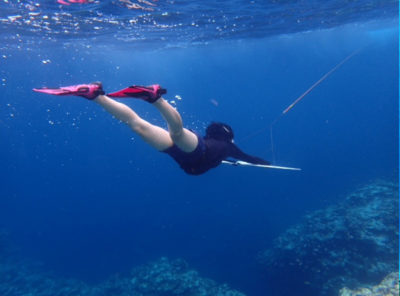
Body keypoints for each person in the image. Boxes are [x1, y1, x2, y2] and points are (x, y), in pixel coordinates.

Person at [33, 82, 270, 175]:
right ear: (228, 136)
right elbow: (249, 158)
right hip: (195, 153)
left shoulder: (220, 144)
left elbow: (245, 158)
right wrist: (266, 164)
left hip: (180, 155)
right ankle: (155, 97)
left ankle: (95, 95)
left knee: (137, 126)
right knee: (176, 132)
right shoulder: (227, 146)